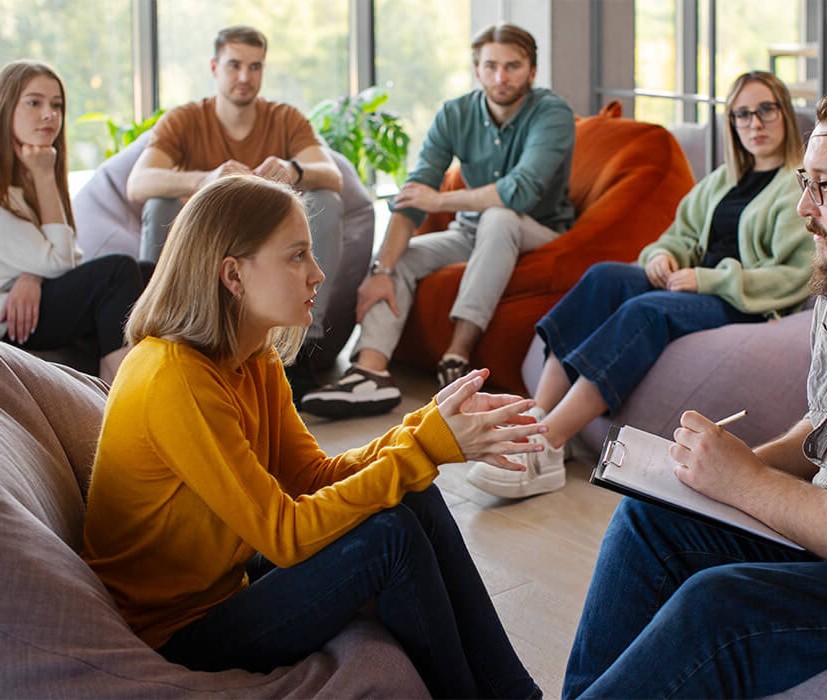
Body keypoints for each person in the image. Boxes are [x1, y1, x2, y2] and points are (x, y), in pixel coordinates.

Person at [563, 79, 827, 698]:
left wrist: (747, 483)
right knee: (648, 518)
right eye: (804, 182)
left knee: (719, 603)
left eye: (826, 186)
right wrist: (716, 481)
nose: (803, 209)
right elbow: (825, 428)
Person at [81, 175, 544, 698]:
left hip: (227, 579)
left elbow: (309, 477)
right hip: (175, 629)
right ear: (233, 274)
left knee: (416, 497)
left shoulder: (252, 355)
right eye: (297, 256)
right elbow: (286, 533)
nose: (318, 273)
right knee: (388, 539)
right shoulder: (175, 378)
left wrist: (426, 425)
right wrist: (425, 448)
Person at [467, 71, 813, 499]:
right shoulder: (723, 182)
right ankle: (539, 418)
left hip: (743, 301)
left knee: (645, 311)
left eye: (765, 110)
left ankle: (547, 444)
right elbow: (679, 236)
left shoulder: (795, 184)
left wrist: (705, 278)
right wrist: (660, 258)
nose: (754, 123)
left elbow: (795, 275)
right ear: (731, 123)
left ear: (785, 113)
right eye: (742, 114)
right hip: (690, 285)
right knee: (603, 276)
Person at [299, 22, 575, 419]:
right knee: (403, 257)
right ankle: (369, 374)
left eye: (513, 66)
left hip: (541, 233)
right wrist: (382, 268)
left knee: (499, 216)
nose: (501, 77)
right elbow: (415, 196)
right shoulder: (455, 114)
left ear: (532, 71)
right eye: (491, 66)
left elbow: (521, 192)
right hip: (471, 229)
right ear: (477, 69)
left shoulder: (552, 113)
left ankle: (457, 356)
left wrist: (440, 199)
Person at [126, 25, 344, 397]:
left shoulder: (284, 118)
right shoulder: (184, 120)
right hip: (208, 254)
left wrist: (294, 170)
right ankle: (165, 336)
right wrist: (204, 179)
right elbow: (137, 184)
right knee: (159, 203)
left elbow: (334, 176)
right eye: (235, 65)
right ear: (214, 67)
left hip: (266, 260)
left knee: (327, 200)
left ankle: (303, 348)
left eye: (255, 67)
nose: (245, 77)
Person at [0, 60, 150, 384]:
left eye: (56, 105)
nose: (49, 114)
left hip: (35, 299)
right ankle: (125, 394)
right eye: (34, 102)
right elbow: (62, 261)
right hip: (12, 319)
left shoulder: (29, 174)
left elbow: (71, 254)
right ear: (6, 107)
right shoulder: (16, 184)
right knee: (116, 273)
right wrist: (43, 176)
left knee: (147, 271)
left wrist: (33, 277)